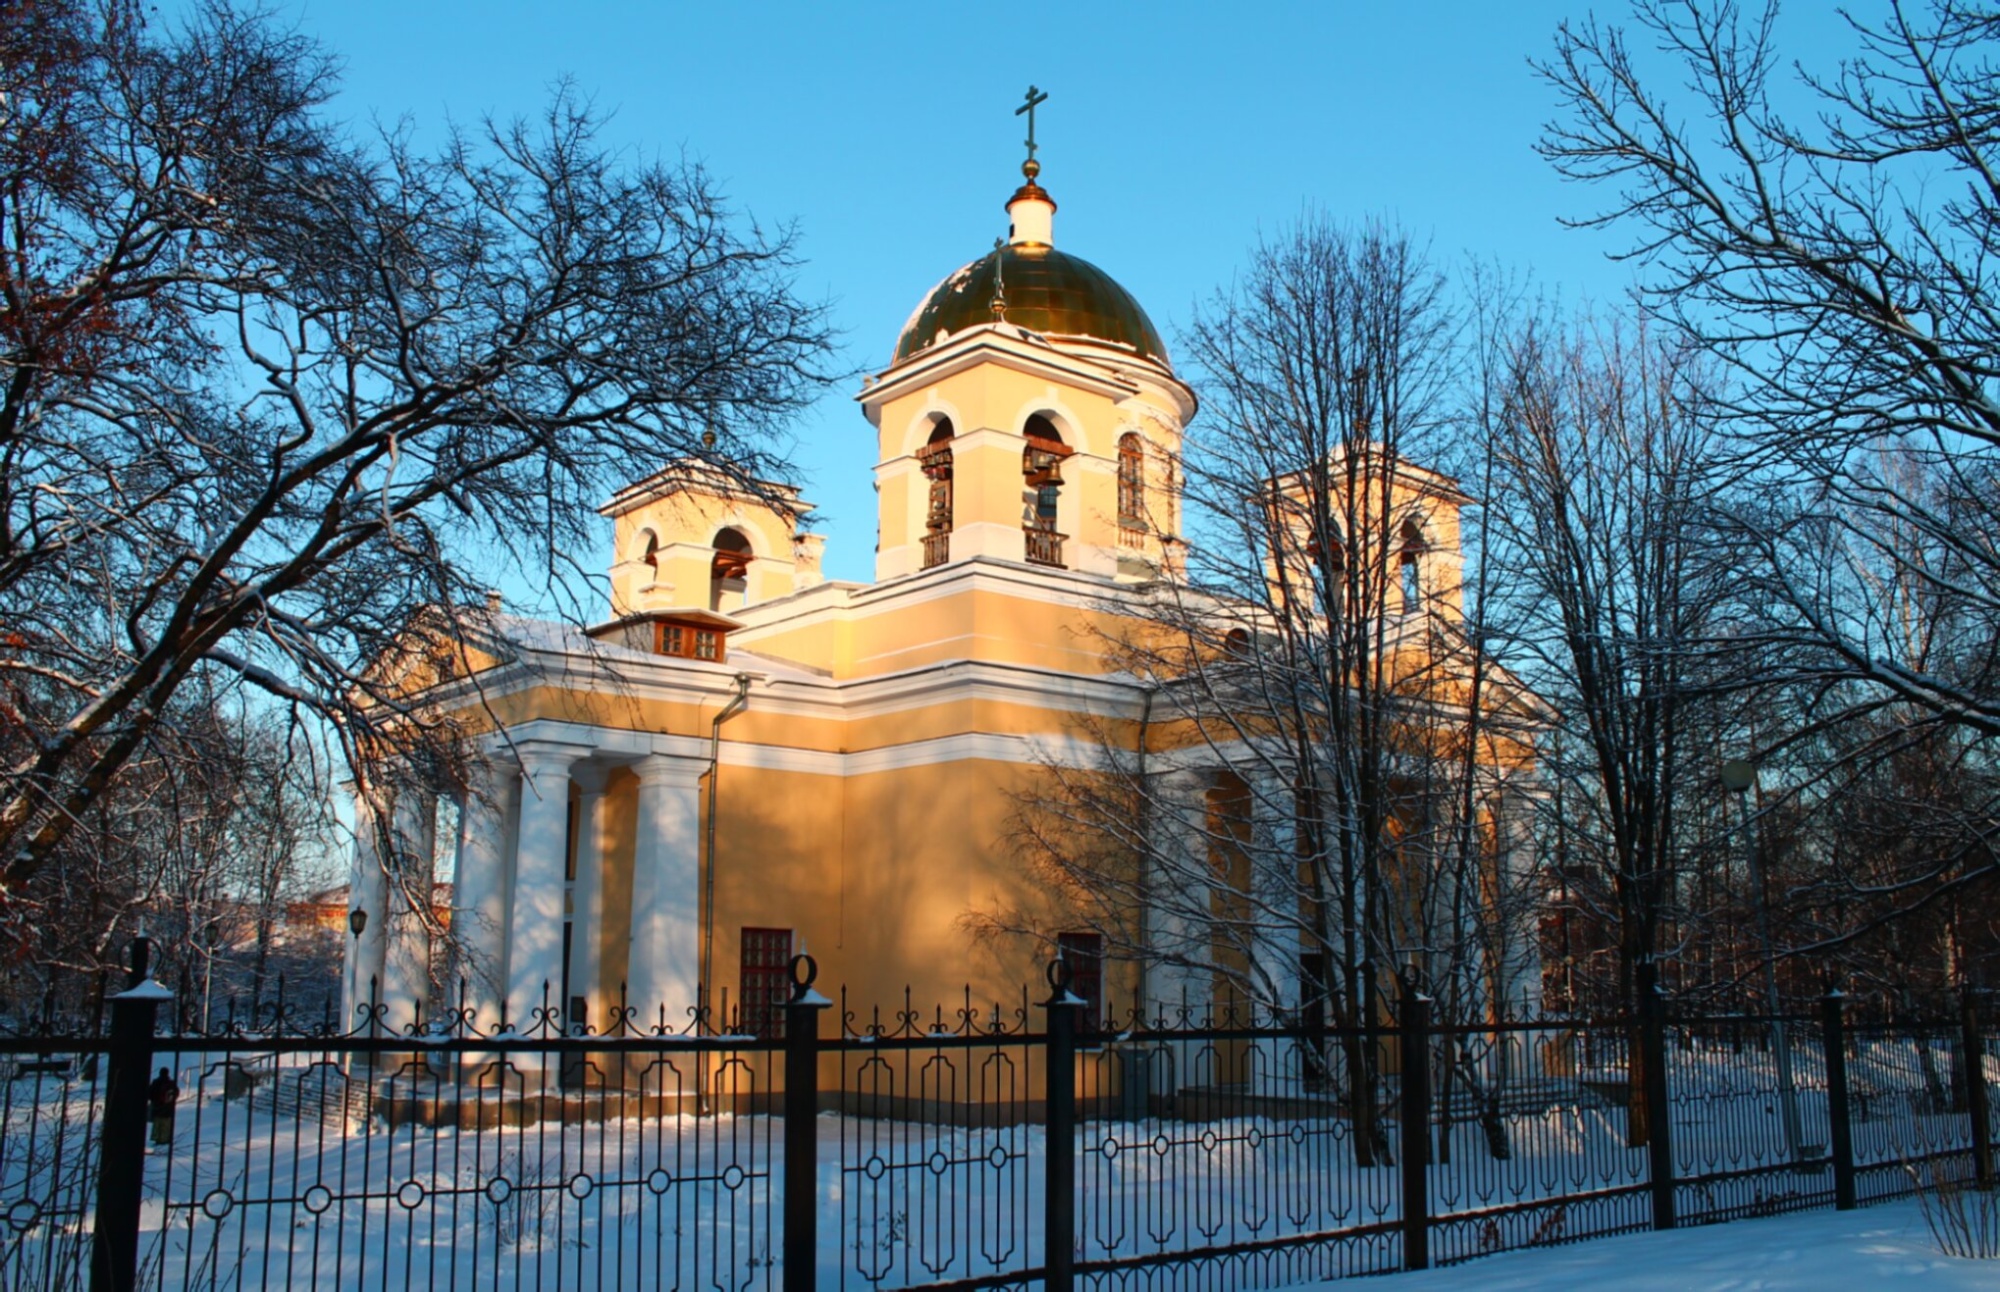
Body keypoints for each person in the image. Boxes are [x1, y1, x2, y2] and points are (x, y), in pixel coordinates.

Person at [148, 1067, 178, 1146]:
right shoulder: (171, 1083)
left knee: (158, 1123)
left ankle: (158, 1139)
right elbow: (176, 1093)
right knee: (166, 1123)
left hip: (157, 1107)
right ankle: (165, 1139)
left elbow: (150, 1094)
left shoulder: (156, 1082)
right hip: (168, 1108)